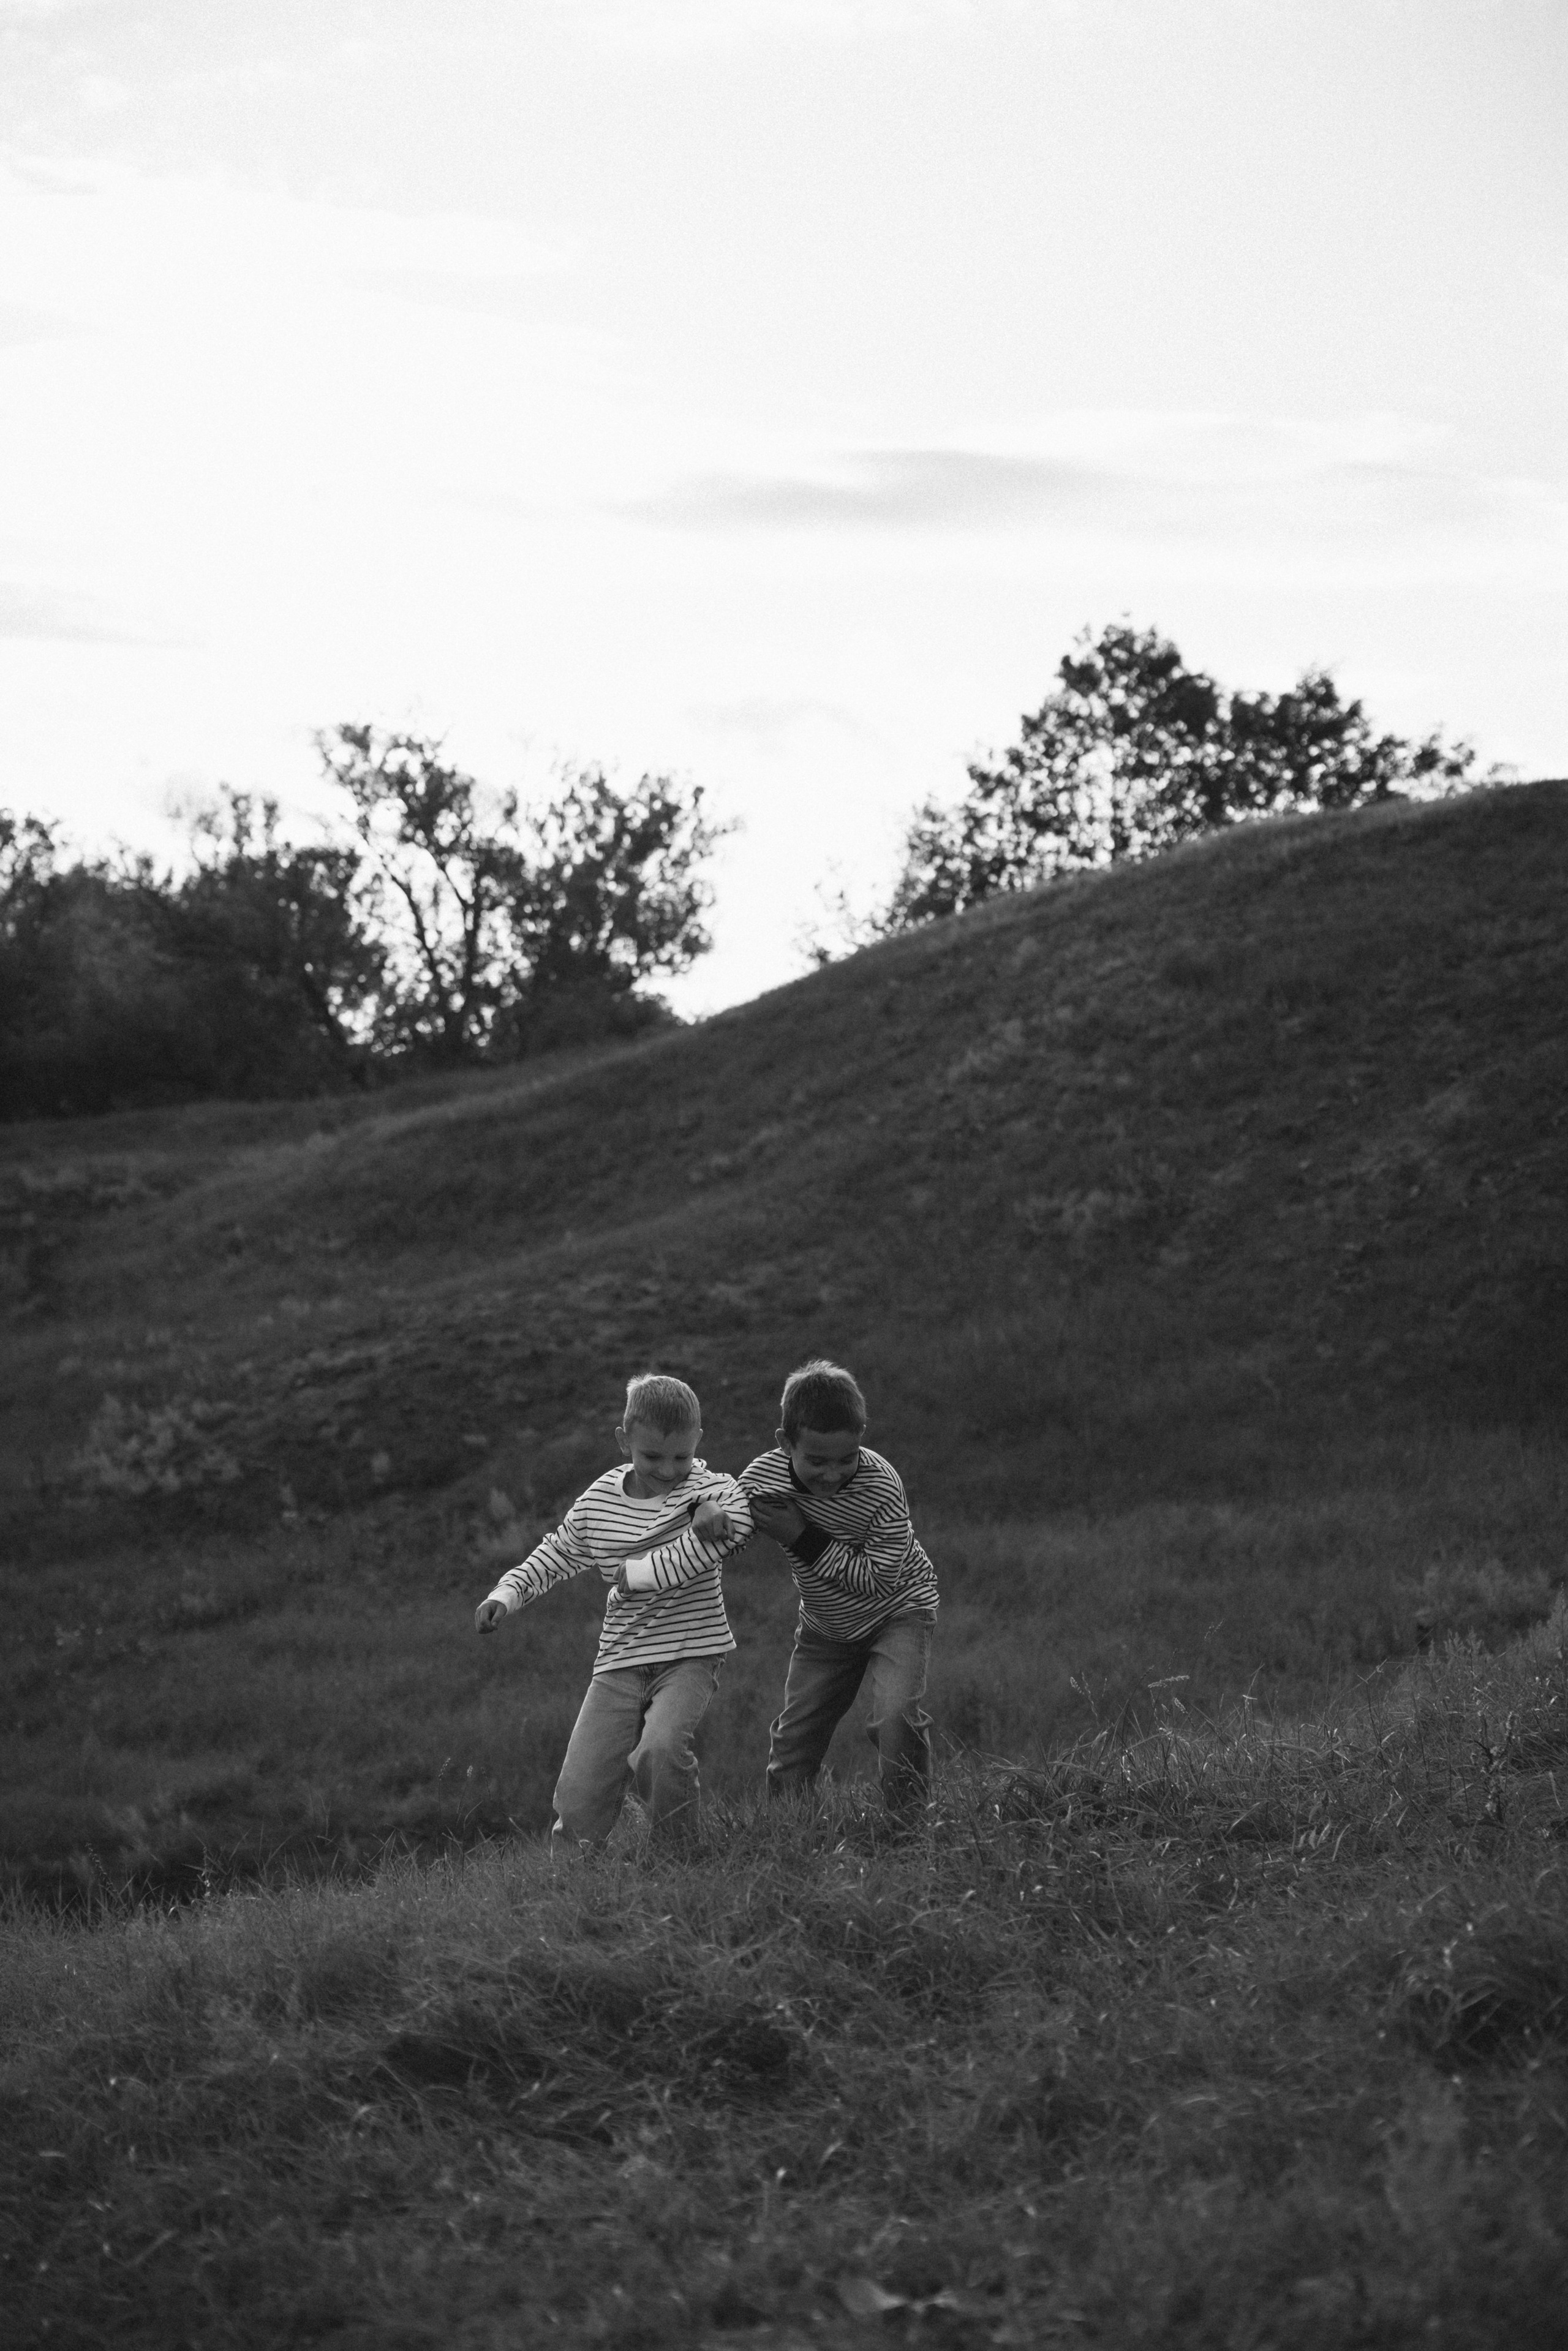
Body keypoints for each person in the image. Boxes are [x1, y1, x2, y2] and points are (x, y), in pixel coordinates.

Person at [475, 1373, 752, 1853]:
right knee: (579, 1795)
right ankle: (573, 1883)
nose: (668, 1471)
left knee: (660, 1751)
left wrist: (642, 1572)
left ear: (698, 1442)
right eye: (652, 1457)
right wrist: (507, 1593)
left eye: (681, 1457)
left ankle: (678, 1859)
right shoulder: (600, 1500)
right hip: (620, 1661)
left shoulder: (713, 1492)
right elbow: (558, 1553)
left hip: (690, 1656)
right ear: (624, 1442)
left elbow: (736, 1528)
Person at [717, 1358, 938, 1819]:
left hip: (898, 1612)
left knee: (895, 1716)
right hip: (825, 1628)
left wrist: (803, 1536)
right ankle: (788, 1830)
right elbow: (734, 1535)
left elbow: (879, 1580)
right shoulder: (764, 1477)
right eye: (817, 1461)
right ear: (786, 1443)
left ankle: (910, 1826)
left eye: (846, 1459)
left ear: (861, 1437)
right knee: (795, 1739)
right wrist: (711, 1518)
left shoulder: (882, 1486)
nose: (833, 1474)